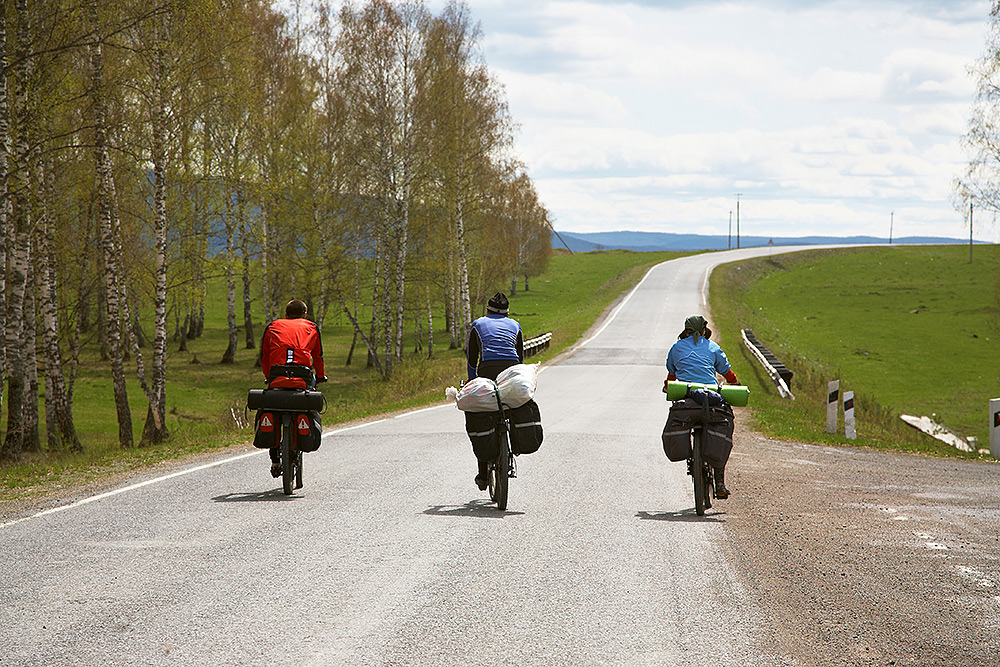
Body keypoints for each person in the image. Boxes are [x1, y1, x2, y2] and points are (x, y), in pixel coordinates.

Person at [664, 314, 739, 498]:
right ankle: (719, 482)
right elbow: (726, 371)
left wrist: (667, 386)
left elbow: (671, 375)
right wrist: (735, 383)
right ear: (705, 330)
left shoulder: (676, 347)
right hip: (711, 398)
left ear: (686, 330)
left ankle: (692, 457)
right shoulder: (713, 347)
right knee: (723, 428)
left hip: (686, 397)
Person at [260, 299, 327, 477]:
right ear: (304, 314)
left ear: (286, 314)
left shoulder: (273, 326)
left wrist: (268, 376)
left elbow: (265, 356)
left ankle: (275, 460)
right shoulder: (311, 327)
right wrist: (320, 376)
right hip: (302, 377)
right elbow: (317, 356)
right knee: (308, 402)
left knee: (269, 408)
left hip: (277, 376)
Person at [466, 291, 524, 490]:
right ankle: (515, 446)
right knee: (512, 407)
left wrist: (472, 382)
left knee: (479, 411)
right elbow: (520, 359)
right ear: (507, 314)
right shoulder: (515, 325)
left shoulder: (478, 324)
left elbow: (472, 359)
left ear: (487, 311)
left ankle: (483, 474)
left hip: (487, 369)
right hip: (511, 370)